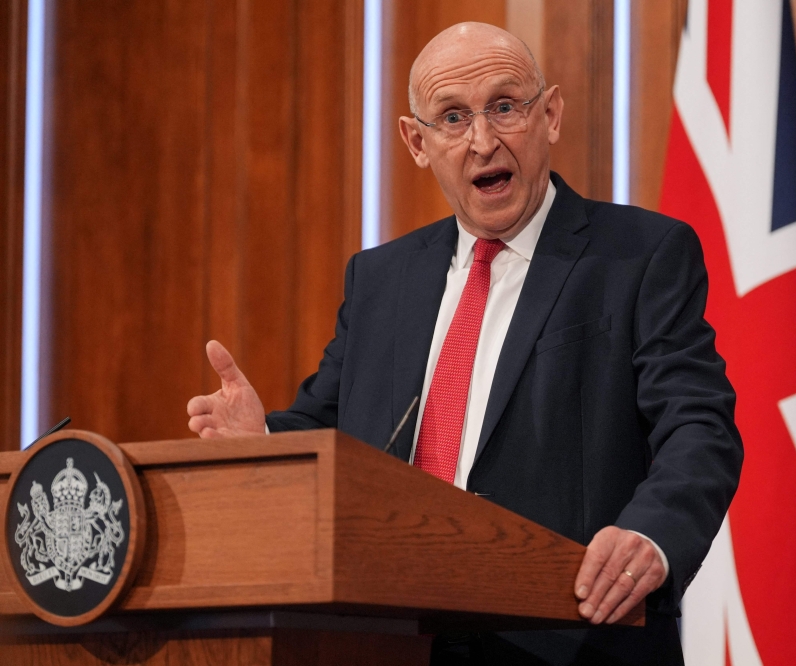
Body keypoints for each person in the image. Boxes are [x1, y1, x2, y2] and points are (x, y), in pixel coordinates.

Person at [186, 22, 742, 665]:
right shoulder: (379, 280)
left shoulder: (639, 256)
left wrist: (653, 533)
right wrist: (264, 444)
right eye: (453, 117)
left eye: (505, 106)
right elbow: (329, 434)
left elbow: (699, 426)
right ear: (416, 142)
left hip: (571, 638)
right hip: (386, 638)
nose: (483, 140)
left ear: (551, 115)